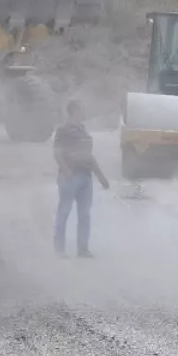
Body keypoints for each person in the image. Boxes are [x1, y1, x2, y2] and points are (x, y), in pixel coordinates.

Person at [52, 100, 110, 258]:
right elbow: (57, 152)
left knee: (84, 214)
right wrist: (65, 169)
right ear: (75, 111)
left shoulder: (83, 130)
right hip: (70, 176)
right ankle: (59, 249)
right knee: (64, 211)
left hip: (85, 177)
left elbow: (89, 157)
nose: (85, 113)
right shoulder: (63, 129)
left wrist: (101, 177)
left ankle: (82, 249)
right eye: (82, 110)